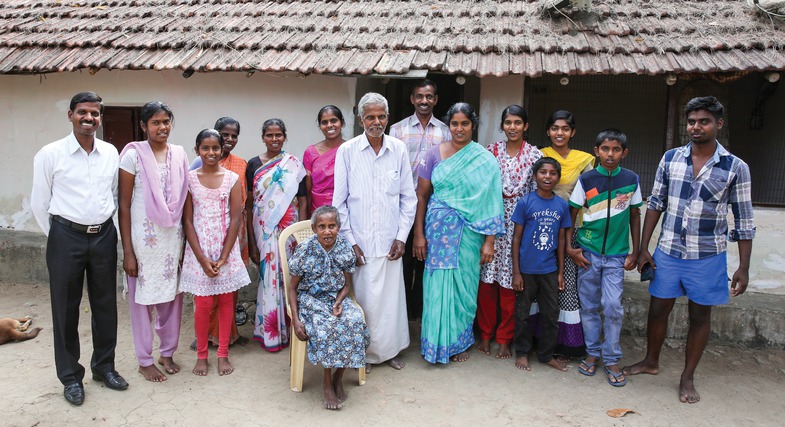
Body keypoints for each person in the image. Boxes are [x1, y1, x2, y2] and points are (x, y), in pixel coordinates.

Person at [623, 96, 755, 403]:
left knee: (699, 315)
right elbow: (655, 204)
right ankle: (651, 361)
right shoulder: (671, 158)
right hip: (668, 251)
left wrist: (743, 267)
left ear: (718, 124)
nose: (696, 127)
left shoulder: (736, 168)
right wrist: (643, 248)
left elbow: (744, 220)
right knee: (657, 309)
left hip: (707, 255)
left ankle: (687, 376)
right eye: (692, 121)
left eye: (704, 121)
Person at [31, 91, 128, 405]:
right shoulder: (51, 154)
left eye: (95, 114)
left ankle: (104, 367)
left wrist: (105, 231)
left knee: (105, 305)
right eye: (83, 113)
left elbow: (113, 196)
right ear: (71, 115)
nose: (89, 119)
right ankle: (71, 377)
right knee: (65, 308)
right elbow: (39, 202)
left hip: (103, 236)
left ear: (100, 118)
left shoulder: (110, 152)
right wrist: (59, 236)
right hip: (65, 237)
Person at [413, 102, 504, 364]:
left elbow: (492, 201)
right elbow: (421, 195)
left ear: (473, 125)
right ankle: (435, 342)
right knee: (435, 287)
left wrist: (489, 242)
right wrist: (419, 235)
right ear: (448, 125)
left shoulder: (485, 160)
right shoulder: (433, 154)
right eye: (455, 123)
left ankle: (459, 342)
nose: (460, 128)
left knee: (464, 286)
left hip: (469, 234)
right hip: (437, 231)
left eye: (465, 123)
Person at [333, 92, 416, 371]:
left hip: (391, 242)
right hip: (361, 244)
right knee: (365, 302)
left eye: (381, 116)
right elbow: (339, 202)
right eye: (370, 117)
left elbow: (409, 198)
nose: (376, 121)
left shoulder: (399, 149)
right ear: (360, 119)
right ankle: (364, 355)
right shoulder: (347, 151)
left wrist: (402, 236)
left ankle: (389, 352)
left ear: (388, 118)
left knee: (390, 303)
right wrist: (351, 242)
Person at [119, 101, 189, 383]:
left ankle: (167, 352)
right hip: (143, 242)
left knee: (172, 298)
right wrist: (128, 252)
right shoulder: (132, 156)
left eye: (166, 121)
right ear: (143, 126)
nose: (162, 127)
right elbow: (123, 205)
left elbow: (185, 200)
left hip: (172, 239)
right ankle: (144, 359)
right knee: (142, 302)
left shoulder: (180, 154)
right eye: (156, 122)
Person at [566, 129, 642, 386]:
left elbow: (634, 215)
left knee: (612, 306)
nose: (610, 154)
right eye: (605, 149)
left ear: (624, 153)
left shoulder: (631, 179)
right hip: (588, 253)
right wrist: (570, 247)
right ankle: (592, 353)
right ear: (596, 151)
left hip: (616, 255)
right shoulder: (586, 180)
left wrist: (636, 250)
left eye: (616, 150)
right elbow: (572, 213)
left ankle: (611, 357)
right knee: (588, 306)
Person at [181, 129, 251, 376]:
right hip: (199, 250)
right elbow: (187, 221)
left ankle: (222, 354)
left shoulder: (231, 178)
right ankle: (202, 355)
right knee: (202, 304)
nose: (210, 153)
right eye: (205, 148)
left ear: (222, 150)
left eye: (215, 148)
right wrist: (201, 258)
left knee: (225, 303)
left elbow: (235, 219)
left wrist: (223, 257)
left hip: (226, 250)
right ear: (197, 150)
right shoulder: (189, 179)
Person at [287, 205, 370, 410]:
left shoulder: (343, 248)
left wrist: (339, 302)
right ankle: (326, 382)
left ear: (338, 228)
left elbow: (347, 285)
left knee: (354, 321)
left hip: (334, 298)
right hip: (310, 300)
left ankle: (338, 377)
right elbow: (292, 288)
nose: (327, 231)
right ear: (314, 229)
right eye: (322, 226)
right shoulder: (305, 249)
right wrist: (296, 319)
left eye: (331, 226)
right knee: (326, 327)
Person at [477, 105, 542, 359]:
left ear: (525, 126)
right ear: (502, 125)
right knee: (487, 284)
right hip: (491, 223)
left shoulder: (535, 155)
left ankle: (505, 338)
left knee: (510, 287)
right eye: (508, 122)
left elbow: (539, 192)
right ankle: (484, 334)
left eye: (517, 122)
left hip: (519, 228)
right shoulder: (491, 152)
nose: (512, 127)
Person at [389, 80, 452, 322]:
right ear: (412, 99)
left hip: (436, 205)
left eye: (429, 97)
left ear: (435, 99)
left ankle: (423, 314)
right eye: (419, 97)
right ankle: (403, 317)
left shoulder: (446, 131)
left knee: (428, 261)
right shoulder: (397, 130)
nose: (424, 101)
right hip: (403, 205)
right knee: (403, 261)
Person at [537, 110, 595, 358]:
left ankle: (567, 342)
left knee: (567, 283)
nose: (559, 133)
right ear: (548, 131)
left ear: (573, 132)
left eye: (565, 129)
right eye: (554, 128)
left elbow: (590, 199)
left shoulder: (585, 160)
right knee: (542, 283)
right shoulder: (539, 155)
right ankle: (539, 337)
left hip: (572, 229)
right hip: (540, 228)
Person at [247, 118, 307, 352]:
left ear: (284, 137)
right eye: (270, 135)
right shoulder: (253, 164)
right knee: (268, 279)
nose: (274, 139)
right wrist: (253, 241)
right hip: (264, 229)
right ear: (263, 137)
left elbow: (303, 201)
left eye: (278, 135)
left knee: (289, 278)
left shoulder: (293, 164)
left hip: (288, 230)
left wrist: (299, 234)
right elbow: (250, 203)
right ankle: (270, 333)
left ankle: (294, 329)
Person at [510, 157, 571, 372]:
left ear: (558, 177)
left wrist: (561, 272)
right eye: (543, 172)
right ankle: (522, 352)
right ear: (535, 176)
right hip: (526, 269)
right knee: (523, 313)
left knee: (550, 314)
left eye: (552, 173)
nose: (547, 177)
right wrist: (516, 272)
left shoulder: (561, 205)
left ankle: (546, 355)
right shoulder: (526, 202)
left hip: (549, 270)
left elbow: (562, 240)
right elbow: (516, 238)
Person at [303, 106, 346, 217]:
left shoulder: (350, 149)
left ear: (342, 122)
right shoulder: (311, 152)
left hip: (345, 211)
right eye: (324, 122)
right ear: (320, 126)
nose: (329, 125)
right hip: (318, 213)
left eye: (333, 120)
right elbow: (307, 192)